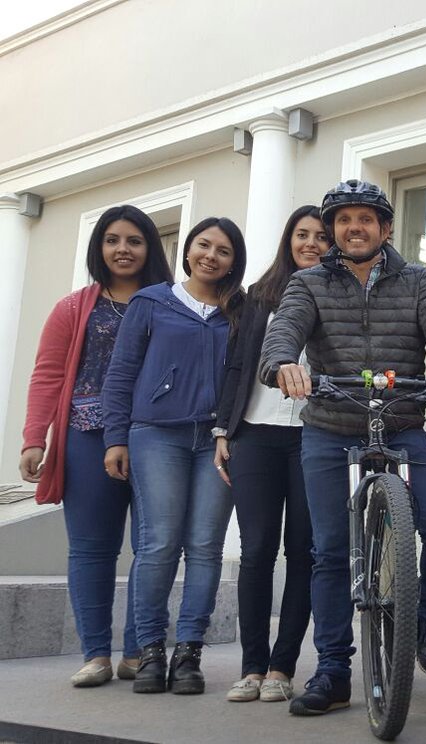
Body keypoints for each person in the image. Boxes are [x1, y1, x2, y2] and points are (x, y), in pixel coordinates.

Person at [256, 179, 426, 717]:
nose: (354, 228)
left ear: (385, 228)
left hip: (401, 424)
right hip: (330, 427)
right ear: (333, 229)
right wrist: (282, 364)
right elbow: (283, 333)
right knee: (331, 551)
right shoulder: (308, 282)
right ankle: (333, 671)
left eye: (365, 219)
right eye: (344, 220)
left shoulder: (417, 279)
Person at [19, 205, 173, 688]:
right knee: (91, 549)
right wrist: (34, 438)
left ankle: (138, 652)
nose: (122, 249)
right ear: (99, 248)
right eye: (112, 240)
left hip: (155, 438)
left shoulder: (170, 303)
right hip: (86, 436)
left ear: (150, 248)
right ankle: (96, 655)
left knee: (153, 547)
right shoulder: (73, 307)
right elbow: (47, 374)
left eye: (134, 240)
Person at [102, 216, 247, 695]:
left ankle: (188, 653)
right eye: (204, 245)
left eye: (223, 250)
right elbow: (121, 373)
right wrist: (115, 438)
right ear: (187, 250)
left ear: (233, 262)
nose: (211, 256)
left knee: (204, 547)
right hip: (156, 435)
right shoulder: (151, 302)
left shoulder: (239, 310)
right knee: (159, 543)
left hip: (218, 440)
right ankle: (149, 651)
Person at [214, 206, 328, 703]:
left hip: (312, 436)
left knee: (303, 551)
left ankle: (282, 668)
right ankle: (252, 667)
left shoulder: (338, 296)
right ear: (288, 240)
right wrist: (224, 429)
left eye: (321, 237)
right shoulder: (258, 298)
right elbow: (236, 366)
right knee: (257, 550)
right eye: (302, 235)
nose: (311, 244)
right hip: (254, 436)